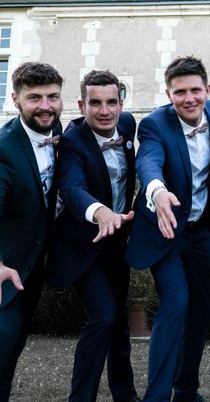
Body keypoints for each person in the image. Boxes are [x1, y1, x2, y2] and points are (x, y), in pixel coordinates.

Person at [126, 56, 210, 402]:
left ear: (208, 91)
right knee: (177, 302)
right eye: (179, 92)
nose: (189, 98)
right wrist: (157, 190)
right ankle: (156, 396)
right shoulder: (154, 125)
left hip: (199, 230)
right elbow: (148, 160)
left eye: (196, 90)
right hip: (164, 229)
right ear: (169, 95)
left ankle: (186, 390)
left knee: (202, 307)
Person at [46, 70, 138, 402]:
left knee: (120, 325)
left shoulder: (128, 126)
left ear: (121, 104)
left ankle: (125, 396)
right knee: (103, 315)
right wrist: (100, 213)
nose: (104, 111)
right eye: (95, 103)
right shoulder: (71, 142)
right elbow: (71, 187)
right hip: (81, 246)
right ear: (81, 105)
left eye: (111, 102)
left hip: (117, 246)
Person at [0, 62, 64, 402]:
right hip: (4, 269)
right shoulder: (5, 147)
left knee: (12, 350)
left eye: (52, 97)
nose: (45, 106)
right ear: (15, 99)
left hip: (31, 269)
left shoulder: (56, 133)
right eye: (34, 97)